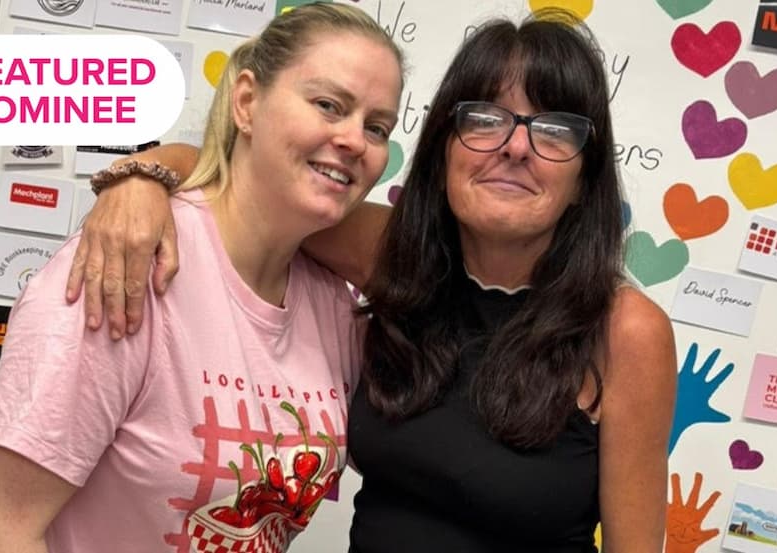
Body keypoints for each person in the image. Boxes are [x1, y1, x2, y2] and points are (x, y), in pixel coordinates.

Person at [68, 9, 677, 553]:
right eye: (486, 119)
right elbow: (240, 180)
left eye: (553, 130)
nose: (515, 147)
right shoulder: (394, 256)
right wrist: (142, 180)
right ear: (444, 149)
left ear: (585, 178)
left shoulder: (625, 330)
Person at [0, 4, 404, 552]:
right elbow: (0, 526)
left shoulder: (332, 303)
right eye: (327, 105)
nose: (355, 140)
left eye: (376, 126)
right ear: (247, 101)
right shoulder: (131, 265)